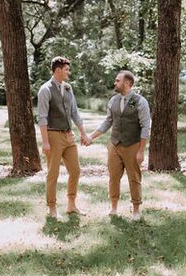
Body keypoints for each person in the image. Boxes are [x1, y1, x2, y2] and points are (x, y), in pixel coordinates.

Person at [88, 70, 151, 221]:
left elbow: (145, 127)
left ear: (127, 83)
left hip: (132, 145)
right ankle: (114, 207)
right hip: (115, 144)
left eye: (118, 81)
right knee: (113, 177)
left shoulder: (140, 101)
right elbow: (107, 122)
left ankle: (136, 210)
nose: (115, 83)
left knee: (134, 178)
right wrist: (91, 137)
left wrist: (141, 151)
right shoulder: (113, 101)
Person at [37, 56, 91, 219]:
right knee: (53, 173)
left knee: (75, 171)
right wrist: (45, 141)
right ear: (58, 70)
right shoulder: (45, 90)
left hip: (69, 136)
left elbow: (74, 112)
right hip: (53, 136)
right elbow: (42, 117)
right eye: (66, 69)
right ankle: (52, 209)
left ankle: (71, 204)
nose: (69, 72)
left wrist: (82, 132)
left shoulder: (68, 88)